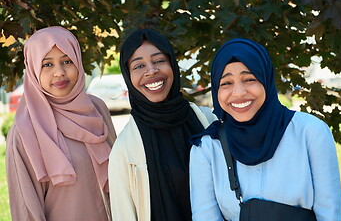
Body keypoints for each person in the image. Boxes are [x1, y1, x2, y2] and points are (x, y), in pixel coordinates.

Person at [189, 38, 341, 221]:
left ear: (266, 79)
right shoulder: (207, 149)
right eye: (226, 83)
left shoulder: (310, 132)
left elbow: (330, 214)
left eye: (249, 79)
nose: (238, 92)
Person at [6, 26, 116, 221]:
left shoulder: (97, 108)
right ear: (32, 70)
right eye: (47, 65)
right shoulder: (25, 131)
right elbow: (27, 209)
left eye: (67, 61)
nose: (59, 72)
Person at [108, 29, 216, 221]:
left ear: (172, 64)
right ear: (128, 76)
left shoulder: (208, 121)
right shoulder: (125, 149)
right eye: (139, 66)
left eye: (159, 61)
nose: (151, 71)